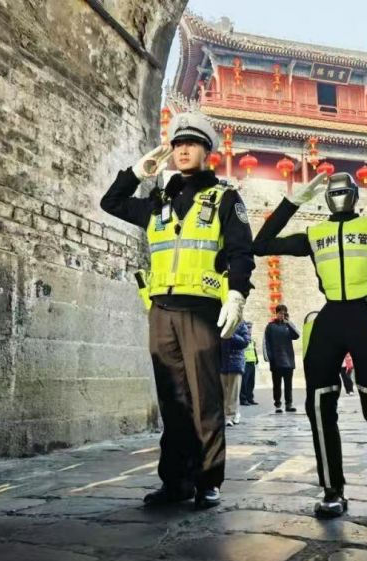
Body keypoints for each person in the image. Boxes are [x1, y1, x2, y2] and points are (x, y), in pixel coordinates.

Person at [100, 111, 254, 509]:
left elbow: (241, 252)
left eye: (192, 144)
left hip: (201, 310)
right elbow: (111, 202)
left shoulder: (224, 198)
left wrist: (236, 295)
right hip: (161, 310)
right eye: (178, 144)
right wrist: (138, 172)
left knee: (205, 399)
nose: (183, 150)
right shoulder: (158, 202)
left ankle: (207, 480)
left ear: (207, 151)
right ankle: (176, 481)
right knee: (172, 400)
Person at [254, 172, 367, 520]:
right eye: (334, 191)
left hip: (366, 316)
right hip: (328, 318)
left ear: (355, 195)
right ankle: (331, 490)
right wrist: (293, 202)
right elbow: (261, 243)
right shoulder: (316, 233)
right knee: (318, 405)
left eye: (345, 190)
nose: (339, 195)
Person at [263, 304, 300, 414]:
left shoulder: (288, 326)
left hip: (288, 360)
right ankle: (277, 404)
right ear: (276, 313)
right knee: (277, 385)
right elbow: (266, 342)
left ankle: (289, 404)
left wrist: (289, 322)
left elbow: (297, 335)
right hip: (276, 361)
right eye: (280, 313)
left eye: (284, 313)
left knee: (288, 385)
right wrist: (268, 357)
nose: (281, 315)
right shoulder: (270, 327)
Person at [221, 321, 249, 427]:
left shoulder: (241, 325)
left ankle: (230, 416)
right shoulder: (219, 323)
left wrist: (231, 335)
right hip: (221, 362)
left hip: (235, 362)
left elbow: (245, 342)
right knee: (224, 392)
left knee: (233, 392)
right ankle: (230, 413)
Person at [239, 322, 259, 407]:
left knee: (251, 382)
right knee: (244, 382)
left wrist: (256, 359)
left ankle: (250, 398)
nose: (250, 330)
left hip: (252, 362)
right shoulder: (243, 339)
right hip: (245, 362)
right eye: (248, 328)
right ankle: (243, 399)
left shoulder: (252, 340)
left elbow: (253, 350)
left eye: (251, 328)